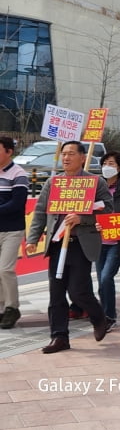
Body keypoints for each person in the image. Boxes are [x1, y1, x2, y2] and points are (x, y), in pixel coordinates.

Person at [25, 141, 112, 353]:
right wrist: (33, 238)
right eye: (64, 154)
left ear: (83, 157)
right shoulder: (53, 183)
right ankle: (59, 336)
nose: (66, 158)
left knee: (78, 291)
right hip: (57, 244)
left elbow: (107, 210)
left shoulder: (95, 182)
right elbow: (40, 212)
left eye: (71, 154)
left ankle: (100, 317)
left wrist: (82, 218)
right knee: (56, 294)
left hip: (80, 244)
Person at [95, 151, 120, 332]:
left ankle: (110, 316)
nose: (108, 167)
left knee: (107, 277)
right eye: (105, 163)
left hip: (117, 241)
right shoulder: (96, 185)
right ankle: (103, 313)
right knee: (101, 280)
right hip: (98, 240)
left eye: (112, 164)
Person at [0, 136, 29, 329]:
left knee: (5, 269)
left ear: (9, 152)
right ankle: (2, 309)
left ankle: (12, 308)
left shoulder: (19, 174)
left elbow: (18, 203)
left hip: (12, 230)